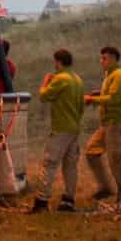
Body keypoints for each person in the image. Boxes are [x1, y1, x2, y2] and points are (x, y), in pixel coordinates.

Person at [30, 48, 83, 213]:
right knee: (70, 166)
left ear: (59, 62)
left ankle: (41, 201)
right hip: (74, 127)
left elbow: (44, 96)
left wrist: (45, 81)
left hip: (60, 128)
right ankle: (68, 199)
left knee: (50, 163)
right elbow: (81, 105)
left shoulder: (60, 79)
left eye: (55, 62)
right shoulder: (77, 79)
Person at [83, 45, 121, 205]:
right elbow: (108, 95)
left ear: (114, 59)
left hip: (115, 124)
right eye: (101, 58)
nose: (101, 61)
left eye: (105, 58)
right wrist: (98, 94)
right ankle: (105, 188)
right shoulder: (109, 75)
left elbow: (113, 99)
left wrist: (91, 99)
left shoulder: (119, 76)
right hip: (106, 124)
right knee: (91, 151)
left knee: (116, 161)